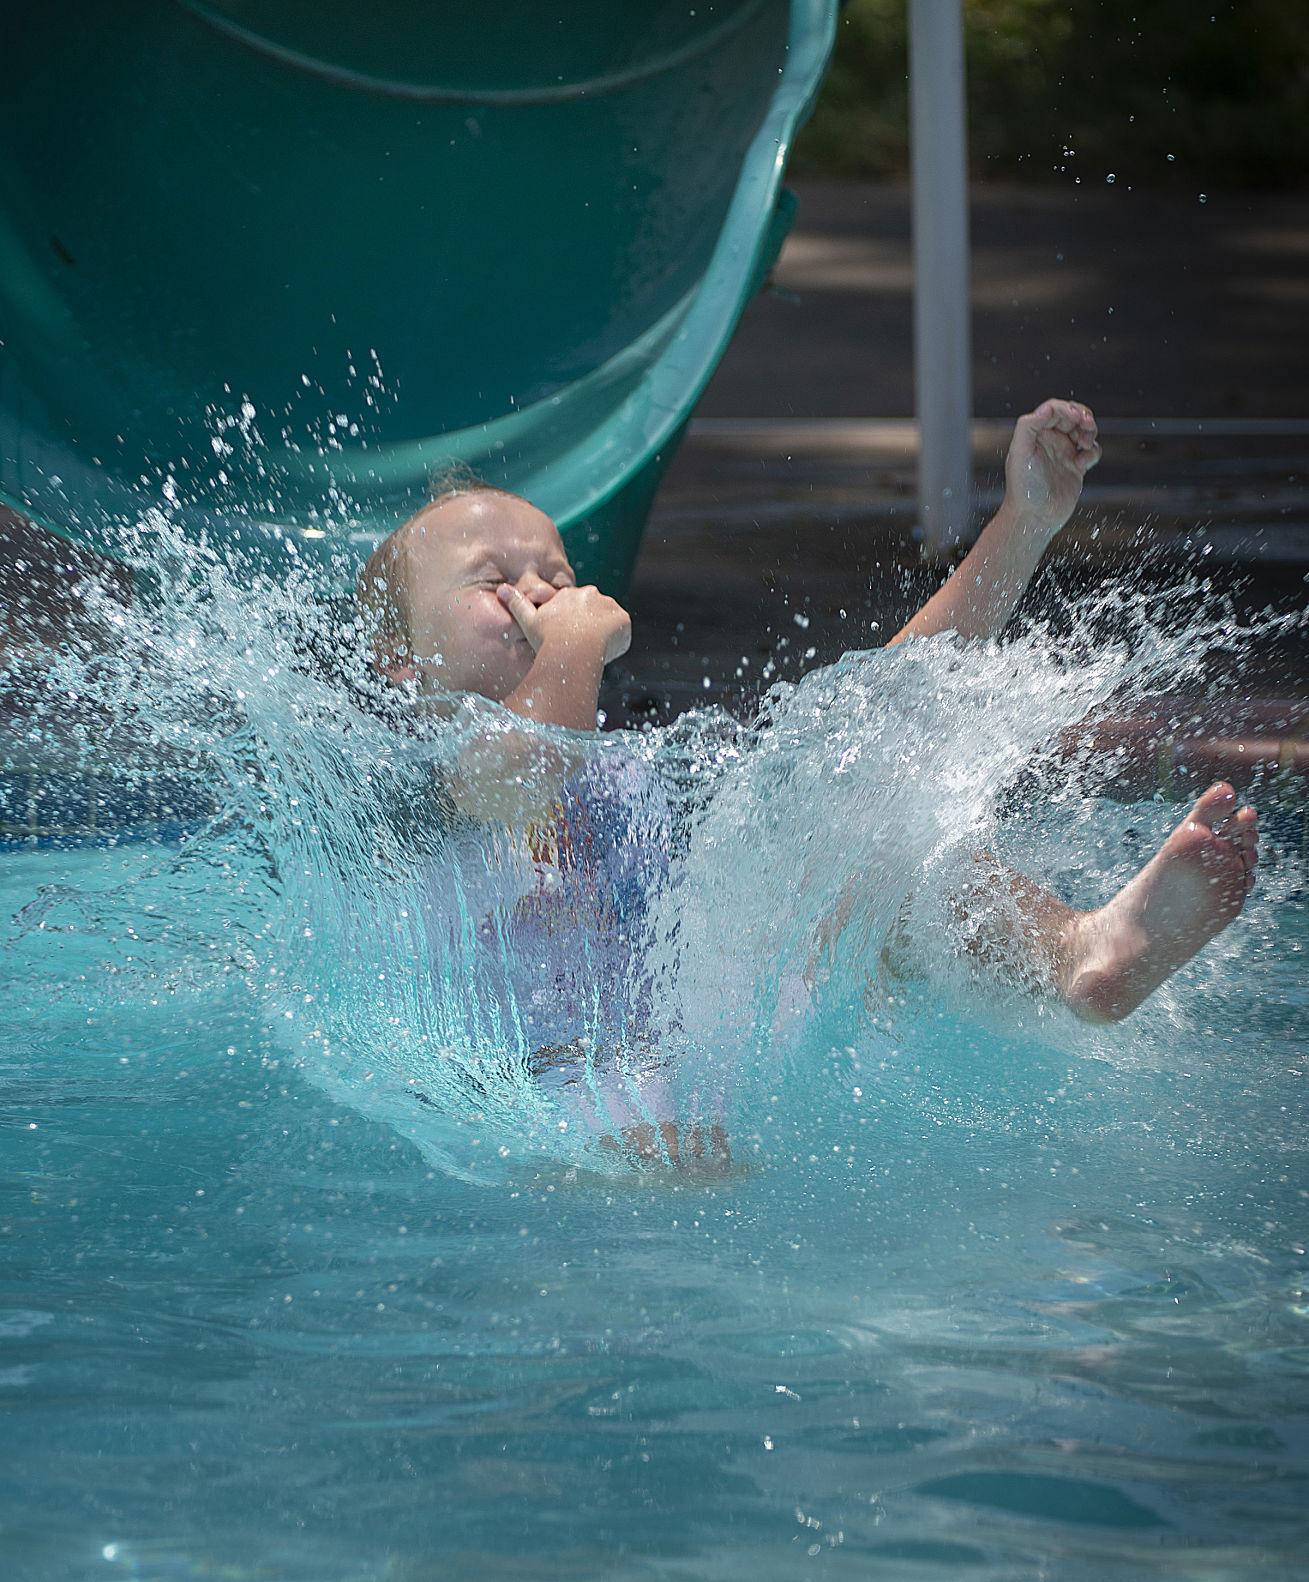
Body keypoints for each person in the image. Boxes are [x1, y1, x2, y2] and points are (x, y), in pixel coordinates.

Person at [355, 399, 1258, 1158]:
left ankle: (1077, 956)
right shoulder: (424, 780)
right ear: (397, 658)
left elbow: (888, 709)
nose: (540, 597)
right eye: (493, 582)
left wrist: (1022, 523)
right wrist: (578, 641)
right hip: (535, 1104)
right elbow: (520, 778)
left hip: (693, 1061)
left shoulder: (625, 774)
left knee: (870, 827)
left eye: (555, 576)